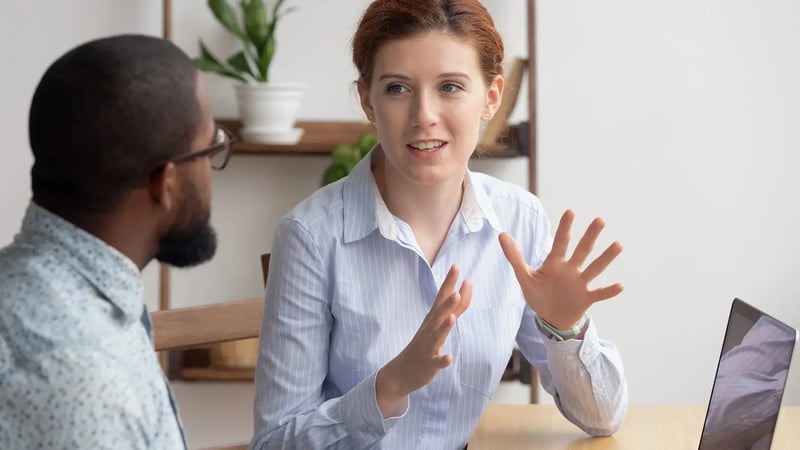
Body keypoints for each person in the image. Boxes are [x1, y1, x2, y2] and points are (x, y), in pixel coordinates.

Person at [251, 1, 628, 448]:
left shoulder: (519, 221)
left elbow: (603, 419)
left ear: (491, 99)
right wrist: (387, 387)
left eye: (450, 86)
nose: (424, 115)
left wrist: (566, 330)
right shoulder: (311, 237)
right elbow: (273, 443)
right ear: (367, 99)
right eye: (397, 88)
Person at [0, 35, 234, 449]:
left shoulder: (25, 287)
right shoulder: (88, 386)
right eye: (210, 146)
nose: (214, 167)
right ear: (168, 183)